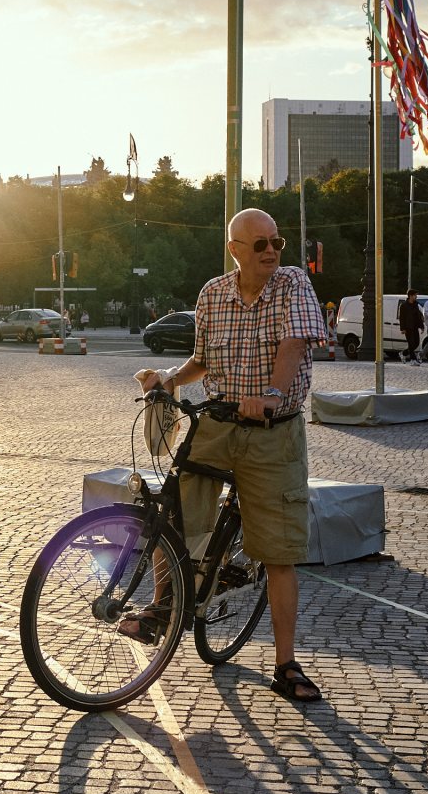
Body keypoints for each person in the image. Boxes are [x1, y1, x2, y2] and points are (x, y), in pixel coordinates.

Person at [137, 208, 326, 703]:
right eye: (259, 243)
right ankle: (161, 608)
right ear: (235, 250)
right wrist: (168, 381)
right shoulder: (212, 295)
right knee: (174, 515)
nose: (270, 251)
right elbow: (202, 360)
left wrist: (270, 392)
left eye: (276, 242)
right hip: (217, 422)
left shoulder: (292, 285)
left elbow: (294, 343)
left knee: (280, 554)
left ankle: (286, 665)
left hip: (273, 430)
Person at [398, 290, 424, 366]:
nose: (416, 297)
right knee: (411, 343)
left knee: (416, 343)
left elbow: (418, 316)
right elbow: (401, 318)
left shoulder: (416, 304)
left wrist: (421, 326)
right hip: (407, 327)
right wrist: (402, 328)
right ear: (410, 296)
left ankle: (403, 353)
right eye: (415, 295)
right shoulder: (403, 305)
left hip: (415, 327)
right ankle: (413, 360)